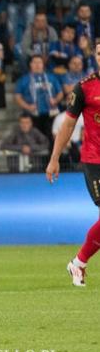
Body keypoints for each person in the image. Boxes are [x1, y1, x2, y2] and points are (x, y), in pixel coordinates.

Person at [47, 43, 100, 286]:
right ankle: (78, 263)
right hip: (94, 159)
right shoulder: (84, 88)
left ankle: (78, 264)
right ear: (95, 57)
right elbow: (68, 125)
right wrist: (54, 158)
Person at [15, 54, 63, 139]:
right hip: (33, 114)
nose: (37, 65)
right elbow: (18, 97)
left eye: (39, 62)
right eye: (35, 62)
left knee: (51, 138)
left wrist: (56, 100)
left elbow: (60, 93)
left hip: (51, 113)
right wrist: (28, 107)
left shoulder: (51, 77)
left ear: (43, 64)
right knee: (36, 139)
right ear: (30, 64)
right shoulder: (23, 79)